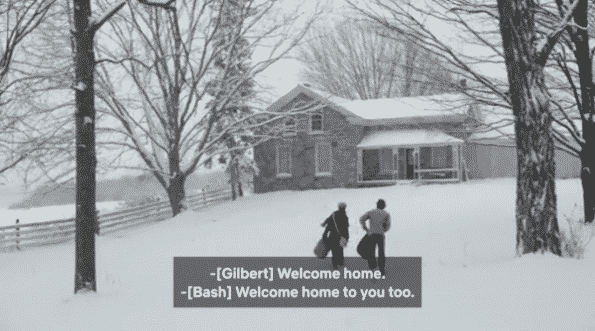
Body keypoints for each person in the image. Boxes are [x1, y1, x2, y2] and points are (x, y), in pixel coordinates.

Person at [359, 199, 391, 276]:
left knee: (371, 251)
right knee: (381, 252)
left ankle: (373, 268)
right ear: (383, 206)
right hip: (381, 235)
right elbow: (388, 226)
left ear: (377, 205)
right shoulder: (386, 214)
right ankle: (382, 270)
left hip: (372, 235)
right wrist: (383, 230)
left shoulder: (371, 212)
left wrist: (366, 228)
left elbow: (361, 219)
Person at [321, 202, 350, 270]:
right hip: (342, 236)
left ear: (338, 207)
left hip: (333, 235)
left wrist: (325, 231)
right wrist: (347, 237)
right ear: (345, 208)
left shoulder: (334, 214)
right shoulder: (345, 216)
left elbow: (328, 222)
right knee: (340, 249)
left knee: (334, 250)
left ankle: (335, 264)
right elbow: (346, 227)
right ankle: (341, 262)